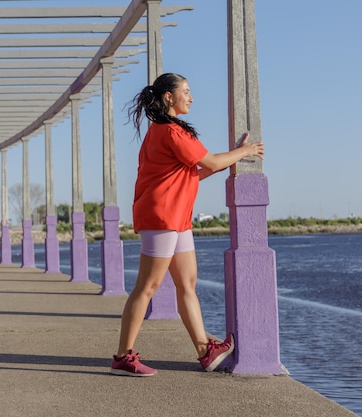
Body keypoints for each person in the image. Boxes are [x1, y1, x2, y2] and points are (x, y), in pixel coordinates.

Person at [110, 73, 264, 377]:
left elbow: (196, 171)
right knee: (147, 287)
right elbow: (210, 164)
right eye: (187, 92)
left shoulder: (167, 131)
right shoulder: (170, 132)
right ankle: (123, 358)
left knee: (187, 283)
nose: (191, 98)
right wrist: (244, 152)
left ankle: (206, 351)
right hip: (163, 216)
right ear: (169, 97)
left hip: (176, 216)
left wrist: (233, 154)